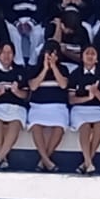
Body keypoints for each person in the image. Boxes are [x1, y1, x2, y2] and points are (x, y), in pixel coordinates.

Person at [0, 44, 29, 169]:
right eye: (3, 53)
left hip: (16, 106)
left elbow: (25, 95)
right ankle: (3, 158)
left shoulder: (20, 71)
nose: (7, 56)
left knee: (16, 122)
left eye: (10, 53)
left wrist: (17, 92)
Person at [25, 43, 70, 172]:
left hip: (58, 107)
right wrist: (45, 69)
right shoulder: (35, 69)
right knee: (36, 126)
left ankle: (43, 160)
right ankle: (47, 161)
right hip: (38, 107)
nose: (51, 57)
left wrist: (54, 67)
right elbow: (33, 86)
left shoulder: (63, 69)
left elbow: (63, 85)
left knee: (60, 127)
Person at [67, 46, 100, 175]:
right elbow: (71, 100)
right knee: (84, 127)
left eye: (93, 53)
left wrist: (96, 93)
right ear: (82, 56)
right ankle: (88, 161)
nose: (90, 56)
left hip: (98, 109)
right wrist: (88, 98)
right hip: (79, 109)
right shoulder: (75, 74)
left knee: (99, 125)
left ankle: (86, 163)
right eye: (87, 53)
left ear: (97, 58)